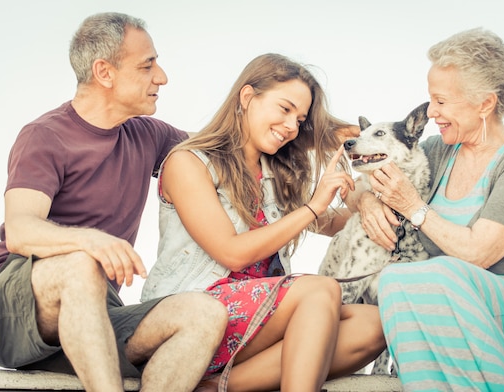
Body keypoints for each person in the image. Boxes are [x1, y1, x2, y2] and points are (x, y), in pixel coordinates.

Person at [0, 12, 227, 392]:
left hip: (92, 319)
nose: (162, 77)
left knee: (205, 313)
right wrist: (92, 241)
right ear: (105, 73)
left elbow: (225, 145)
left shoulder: (147, 135)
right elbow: (21, 229)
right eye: (147, 65)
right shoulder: (45, 136)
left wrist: (318, 126)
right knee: (80, 265)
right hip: (6, 311)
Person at [140, 53, 385, 391]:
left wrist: (373, 200)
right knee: (319, 290)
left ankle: (217, 388)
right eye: (284, 109)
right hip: (193, 315)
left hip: (259, 321)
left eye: (300, 120)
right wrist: (313, 207)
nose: (291, 127)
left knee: (374, 324)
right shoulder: (189, 162)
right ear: (247, 97)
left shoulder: (276, 175)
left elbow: (336, 224)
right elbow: (232, 253)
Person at [357, 27, 504, 391]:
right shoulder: (437, 151)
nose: (431, 112)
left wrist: (413, 206)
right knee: (396, 278)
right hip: (444, 310)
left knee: (434, 274)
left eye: (441, 101)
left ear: (485, 103)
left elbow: (477, 252)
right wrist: (366, 201)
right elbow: (361, 171)